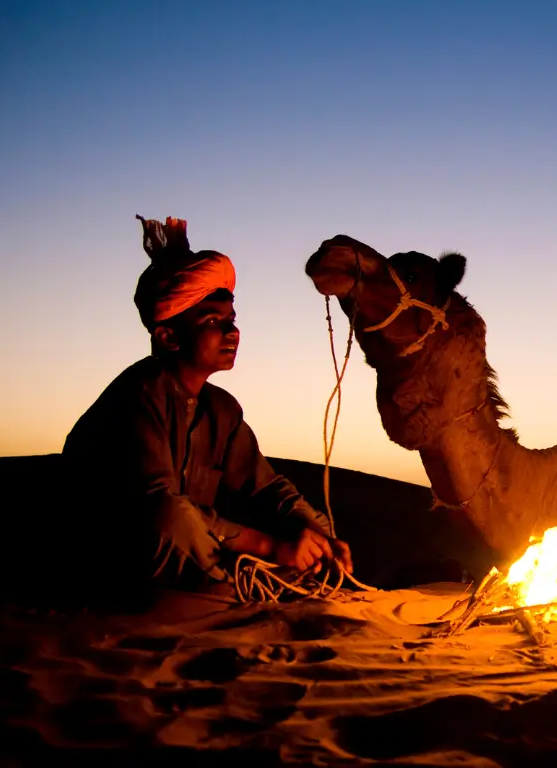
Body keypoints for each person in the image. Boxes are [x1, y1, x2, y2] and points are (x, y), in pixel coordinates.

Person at [63, 216, 352, 595]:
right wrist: (271, 547)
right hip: (110, 563)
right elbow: (161, 511)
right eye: (213, 320)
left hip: (196, 556)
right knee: (172, 517)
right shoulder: (138, 397)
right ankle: (230, 593)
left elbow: (266, 488)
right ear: (168, 337)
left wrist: (317, 533)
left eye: (232, 320)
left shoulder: (222, 411)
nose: (232, 332)